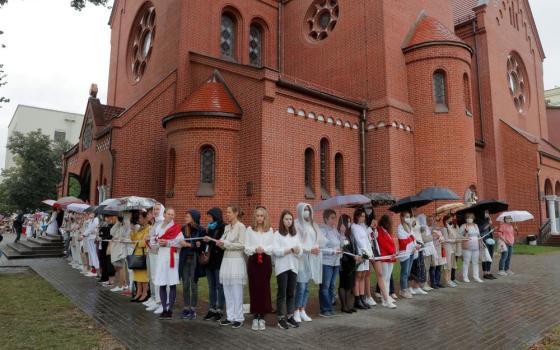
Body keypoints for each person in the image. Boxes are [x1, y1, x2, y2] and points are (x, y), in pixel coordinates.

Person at [217, 204, 247, 329]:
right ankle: (230, 316)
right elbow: (224, 243)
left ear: (235, 213)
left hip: (236, 261)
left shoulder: (241, 227)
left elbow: (242, 245)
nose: (227, 214)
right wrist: (220, 244)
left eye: (229, 212)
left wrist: (227, 244)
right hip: (226, 260)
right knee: (227, 290)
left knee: (236, 291)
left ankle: (239, 317)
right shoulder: (227, 227)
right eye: (226, 212)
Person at [294, 203, 324, 322]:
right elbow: (296, 242)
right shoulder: (296, 224)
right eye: (305, 209)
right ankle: (296, 310)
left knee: (307, 286)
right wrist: (308, 249)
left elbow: (318, 240)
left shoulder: (313, 225)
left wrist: (316, 248)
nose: (307, 211)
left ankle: (302, 309)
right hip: (302, 257)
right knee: (301, 285)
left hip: (312, 257)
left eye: (309, 209)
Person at [245, 206, 274, 330]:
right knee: (254, 287)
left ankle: (262, 317)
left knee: (264, 288)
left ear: (265, 217)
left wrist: (264, 249)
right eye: (257, 215)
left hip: (265, 261)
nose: (259, 218)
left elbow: (272, 247)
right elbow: (246, 247)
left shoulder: (270, 230)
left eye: (262, 216)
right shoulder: (250, 230)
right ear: (254, 217)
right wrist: (255, 249)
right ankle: (255, 316)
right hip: (253, 260)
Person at [273, 210, 302, 329]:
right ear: (282, 220)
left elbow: (300, 252)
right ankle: (280, 319)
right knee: (282, 294)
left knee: (291, 293)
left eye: (290, 219)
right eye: (286, 219)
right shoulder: (277, 234)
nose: (289, 221)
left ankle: (290, 317)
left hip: (293, 267)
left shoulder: (296, 234)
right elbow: (275, 251)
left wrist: (297, 251)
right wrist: (290, 250)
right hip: (282, 268)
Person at [154, 208, 184, 319]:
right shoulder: (158, 227)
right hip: (161, 256)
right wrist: (156, 242)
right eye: (169, 214)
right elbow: (155, 241)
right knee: (162, 282)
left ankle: (170, 309)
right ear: (164, 214)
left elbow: (180, 243)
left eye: (172, 214)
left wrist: (167, 243)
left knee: (171, 283)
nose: (170, 216)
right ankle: (164, 308)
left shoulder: (176, 228)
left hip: (172, 256)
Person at [178, 209, 205, 320]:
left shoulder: (201, 230)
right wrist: (191, 244)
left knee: (193, 285)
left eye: (188, 216)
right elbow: (180, 242)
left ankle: (193, 309)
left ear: (194, 217)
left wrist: (190, 245)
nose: (185, 218)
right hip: (185, 259)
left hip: (194, 260)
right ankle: (186, 308)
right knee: (185, 284)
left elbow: (202, 246)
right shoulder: (183, 229)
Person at [201, 207, 226, 322]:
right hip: (209, 261)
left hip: (218, 261)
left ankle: (220, 309)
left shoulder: (223, 227)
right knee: (211, 286)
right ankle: (212, 308)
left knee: (219, 286)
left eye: (210, 217)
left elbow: (221, 243)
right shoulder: (210, 228)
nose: (209, 219)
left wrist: (209, 240)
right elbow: (206, 243)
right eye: (208, 217)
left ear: (216, 216)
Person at [318, 209, 342, 317]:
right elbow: (321, 248)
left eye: (335, 218)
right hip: (326, 263)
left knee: (332, 285)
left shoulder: (335, 230)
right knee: (325, 286)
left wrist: (342, 233)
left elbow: (341, 244)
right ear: (326, 219)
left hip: (336, 262)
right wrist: (333, 251)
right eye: (332, 218)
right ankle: (324, 309)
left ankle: (329, 307)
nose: (334, 220)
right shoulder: (322, 230)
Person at [369, 218, 396, 308]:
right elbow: (383, 243)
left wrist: (393, 252)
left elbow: (391, 242)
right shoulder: (380, 231)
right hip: (384, 257)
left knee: (387, 278)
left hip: (389, 257)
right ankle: (384, 298)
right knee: (384, 278)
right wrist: (393, 251)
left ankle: (386, 295)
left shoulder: (386, 232)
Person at [144, 204, 165, 314]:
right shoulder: (155, 222)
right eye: (154, 209)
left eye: (157, 209)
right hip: (152, 252)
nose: (155, 211)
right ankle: (156, 300)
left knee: (158, 278)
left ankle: (161, 302)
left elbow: (160, 237)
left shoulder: (162, 222)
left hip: (158, 254)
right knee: (153, 277)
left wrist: (150, 238)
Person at [338, 214, 359, 313]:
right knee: (344, 284)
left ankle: (348, 305)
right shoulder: (341, 234)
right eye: (348, 221)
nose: (349, 223)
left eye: (350, 221)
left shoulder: (350, 233)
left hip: (351, 261)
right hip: (345, 262)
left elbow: (353, 246)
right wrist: (353, 256)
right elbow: (344, 248)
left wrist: (357, 255)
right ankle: (344, 306)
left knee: (350, 284)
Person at [129, 211, 151, 302]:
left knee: (143, 276)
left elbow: (145, 242)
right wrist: (133, 231)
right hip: (136, 253)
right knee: (137, 276)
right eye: (139, 218)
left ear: (146, 219)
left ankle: (145, 293)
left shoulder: (149, 228)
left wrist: (139, 242)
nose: (139, 220)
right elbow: (134, 240)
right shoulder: (140, 229)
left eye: (141, 218)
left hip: (143, 253)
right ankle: (138, 292)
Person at [397, 211, 417, 299]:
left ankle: (405, 288)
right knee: (404, 272)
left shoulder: (409, 227)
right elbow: (403, 240)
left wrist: (416, 245)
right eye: (406, 217)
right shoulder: (400, 227)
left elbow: (413, 237)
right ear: (401, 217)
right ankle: (403, 289)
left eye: (409, 217)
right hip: (405, 252)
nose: (408, 218)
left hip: (412, 251)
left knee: (408, 272)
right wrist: (411, 243)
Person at [110, 215, 131, 293]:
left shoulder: (127, 224)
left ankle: (120, 285)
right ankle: (124, 283)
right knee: (118, 266)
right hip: (116, 247)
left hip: (122, 248)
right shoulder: (119, 224)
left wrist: (119, 238)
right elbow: (111, 232)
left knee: (121, 266)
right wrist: (117, 223)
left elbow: (126, 235)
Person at [460, 212, 483, 283]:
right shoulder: (463, 226)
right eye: (467, 218)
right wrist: (465, 232)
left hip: (476, 247)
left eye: (471, 218)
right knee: (466, 262)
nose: (469, 219)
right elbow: (460, 236)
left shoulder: (476, 225)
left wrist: (481, 243)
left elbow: (478, 235)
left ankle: (476, 276)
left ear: (473, 219)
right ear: (466, 219)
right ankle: (465, 277)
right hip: (467, 247)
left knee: (475, 262)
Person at [441, 214, 459, 287]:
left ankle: (450, 279)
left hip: (452, 248)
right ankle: (446, 280)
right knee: (447, 265)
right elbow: (446, 239)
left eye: (451, 219)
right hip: (447, 248)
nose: (451, 220)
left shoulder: (450, 228)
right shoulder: (444, 229)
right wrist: (455, 240)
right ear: (445, 220)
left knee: (451, 264)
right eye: (450, 219)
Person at [98, 215, 116, 286]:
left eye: (107, 217)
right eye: (106, 217)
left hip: (109, 245)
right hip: (104, 244)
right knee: (103, 261)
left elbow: (110, 236)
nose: (106, 219)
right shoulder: (105, 225)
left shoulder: (113, 225)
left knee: (109, 262)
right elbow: (101, 233)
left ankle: (110, 280)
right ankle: (105, 277)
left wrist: (103, 237)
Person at [478, 210, 497, 279]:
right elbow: (480, 230)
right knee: (485, 256)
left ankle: (489, 272)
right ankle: (485, 273)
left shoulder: (487, 220)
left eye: (488, 213)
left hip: (490, 240)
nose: (487, 214)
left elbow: (488, 231)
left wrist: (493, 229)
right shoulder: (479, 220)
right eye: (486, 213)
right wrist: (489, 224)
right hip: (484, 240)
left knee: (490, 256)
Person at [82, 213, 100, 277]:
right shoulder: (91, 220)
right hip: (90, 239)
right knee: (92, 255)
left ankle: (97, 272)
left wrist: (83, 235)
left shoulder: (96, 219)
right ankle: (95, 271)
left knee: (95, 255)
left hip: (94, 239)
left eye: (90, 213)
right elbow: (88, 229)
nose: (89, 215)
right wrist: (84, 234)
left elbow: (92, 228)